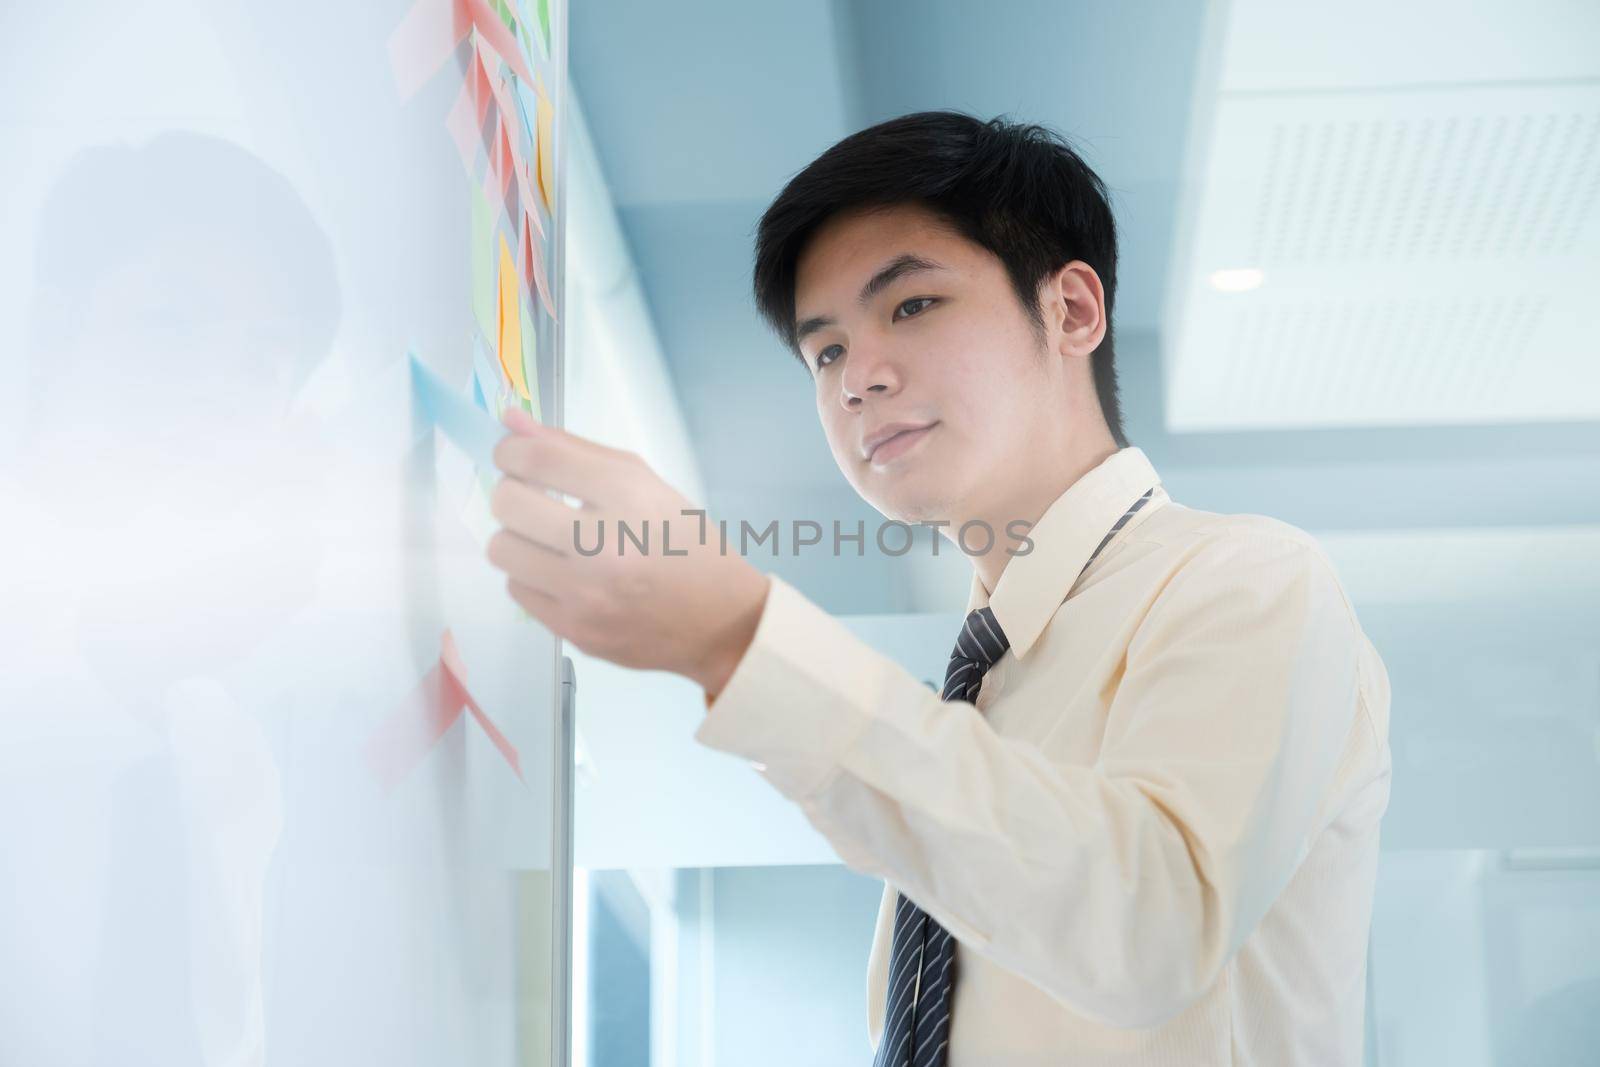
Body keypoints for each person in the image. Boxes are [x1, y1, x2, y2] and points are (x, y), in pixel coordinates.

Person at [485, 109, 1392, 1065]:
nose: (856, 380)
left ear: (1073, 311)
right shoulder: (981, 685)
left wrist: (742, 642)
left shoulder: (1246, 580)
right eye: (825, 349)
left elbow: (1150, 929)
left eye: (912, 305)